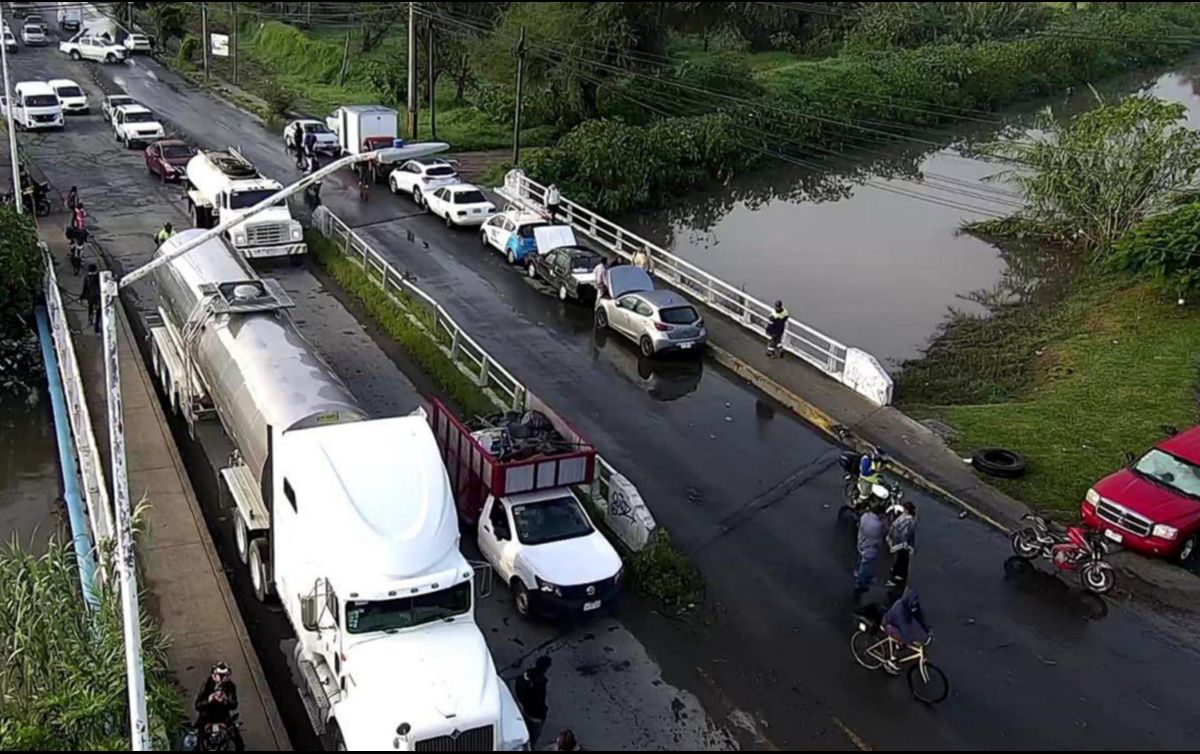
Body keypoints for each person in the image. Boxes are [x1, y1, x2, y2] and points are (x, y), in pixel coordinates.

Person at [195, 662, 244, 751]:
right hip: (207, 717)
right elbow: (198, 705)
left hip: (223, 718)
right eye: (219, 675)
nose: (221, 678)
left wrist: (225, 699)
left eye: (224, 675)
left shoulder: (231, 686)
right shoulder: (206, 684)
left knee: (238, 742)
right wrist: (209, 699)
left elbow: (234, 705)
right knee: (195, 741)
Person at [882, 588, 931, 673]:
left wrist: (926, 630)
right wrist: (915, 639)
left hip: (900, 623)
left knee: (908, 638)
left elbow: (920, 618)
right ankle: (891, 661)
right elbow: (905, 629)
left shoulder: (913, 605)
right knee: (902, 639)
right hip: (889, 625)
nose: (915, 602)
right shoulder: (899, 609)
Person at [514, 656, 552, 748]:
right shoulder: (539, 683)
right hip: (536, 715)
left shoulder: (527, 677)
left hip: (527, 710)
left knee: (524, 731)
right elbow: (539, 700)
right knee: (532, 738)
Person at [854, 503, 886, 596]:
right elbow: (879, 539)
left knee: (861, 559)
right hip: (870, 549)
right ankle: (860, 584)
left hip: (861, 542)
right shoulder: (878, 525)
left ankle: (859, 573)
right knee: (866, 566)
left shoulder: (864, 516)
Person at [886, 501, 917, 591]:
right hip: (901, 543)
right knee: (900, 558)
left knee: (902, 559)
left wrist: (899, 544)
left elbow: (904, 535)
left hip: (902, 544)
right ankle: (897, 570)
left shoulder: (908, 522)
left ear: (907, 510)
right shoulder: (907, 518)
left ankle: (898, 577)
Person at [81, 264, 101, 334]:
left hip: (90, 296)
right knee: (99, 311)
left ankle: (90, 319)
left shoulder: (87, 277)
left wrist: (82, 296)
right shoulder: (99, 277)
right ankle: (96, 325)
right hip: (98, 297)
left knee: (90, 307)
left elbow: (85, 288)